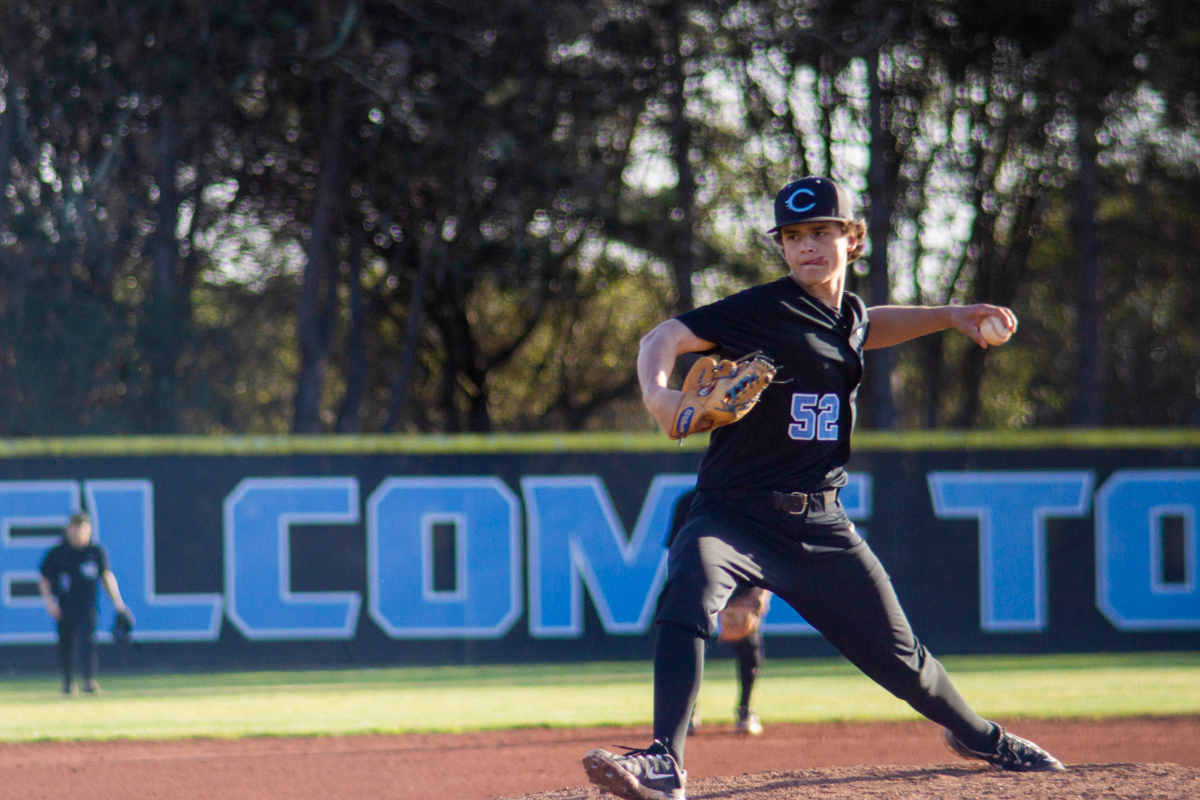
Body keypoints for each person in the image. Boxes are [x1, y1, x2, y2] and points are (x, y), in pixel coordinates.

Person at [582, 176, 1061, 800]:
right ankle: (664, 760)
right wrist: (658, 393)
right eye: (794, 236)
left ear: (852, 240)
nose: (808, 246)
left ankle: (978, 734)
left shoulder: (849, 317)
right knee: (690, 583)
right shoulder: (760, 310)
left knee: (906, 664)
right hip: (733, 515)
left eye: (821, 233)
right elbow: (661, 338)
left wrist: (950, 316)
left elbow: (865, 327)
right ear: (781, 248)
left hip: (821, 528)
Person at [669, 489, 767, 737]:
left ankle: (745, 710)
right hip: (697, 583)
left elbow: (765, 552)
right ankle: (687, 712)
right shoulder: (689, 502)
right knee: (686, 646)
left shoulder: (749, 500)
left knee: (749, 647)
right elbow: (675, 550)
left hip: (741, 588)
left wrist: (760, 594)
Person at [39, 511, 130, 695]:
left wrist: (118, 604)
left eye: (81, 526)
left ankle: (88, 681)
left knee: (88, 642)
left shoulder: (95, 552)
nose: (77, 530)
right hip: (64, 606)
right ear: (68, 528)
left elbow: (106, 577)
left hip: (87, 605)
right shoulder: (58, 552)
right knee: (66, 644)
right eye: (74, 526)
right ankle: (68, 682)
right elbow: (44, 579)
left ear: (89, 529)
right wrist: (49, 602)